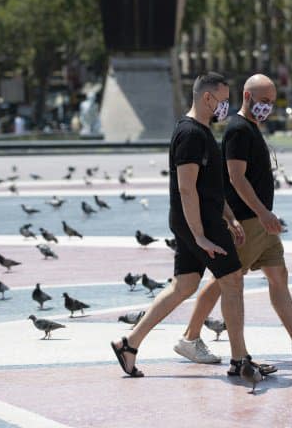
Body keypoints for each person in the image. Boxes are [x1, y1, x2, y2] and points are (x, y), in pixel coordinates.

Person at [111, 72, 272, 378]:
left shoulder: (201, 131)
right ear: (207, 98)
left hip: (203, 219)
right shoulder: (190, 134)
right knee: (233, 280)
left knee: (184, 285)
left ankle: (128, 344)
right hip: (198, 222)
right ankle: (240, 360)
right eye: (223, 99)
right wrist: (199, 235)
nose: (226, 105)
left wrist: (229, 215)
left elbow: (210, 186)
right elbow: (187, 188)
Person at [174, 74, 292, 366]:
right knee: (223, 280)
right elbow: (236, 178)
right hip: (248, 220)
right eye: (264, 101)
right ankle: (190, 337)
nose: (269, 107)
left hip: (262, 221)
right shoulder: (238, 129)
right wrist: (262, 214)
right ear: (248, 97)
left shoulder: (250, 127)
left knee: (279, 277)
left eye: (272, 102)